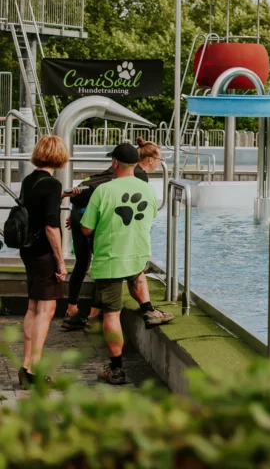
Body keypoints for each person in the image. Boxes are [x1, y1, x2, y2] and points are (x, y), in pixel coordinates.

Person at [80, 143, 168, 385]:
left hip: (111, 258)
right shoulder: (149, 190)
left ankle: (116, 369)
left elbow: (86, 228)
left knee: (112, 314)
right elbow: (150, 219)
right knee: (136, 275)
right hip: (137, 254)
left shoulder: (103, 191)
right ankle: (149, 310)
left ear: (115, 163)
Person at [61, 137, 166, 330]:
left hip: (82, 213)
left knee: (83, 264)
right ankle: (94, 317)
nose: (160, 163)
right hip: (92, 219)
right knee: (112, 269)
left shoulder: (115, 171)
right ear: (149, 159)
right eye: (160, 159)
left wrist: (77, 216)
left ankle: (72, 312)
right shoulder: (138, 178)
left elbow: (92, 193)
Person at [17, 136, 70, 388]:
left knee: (33, 307)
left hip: (28, 249)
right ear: (59, 156)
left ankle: (26, 364)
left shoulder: (30, 181)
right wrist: (60, 261)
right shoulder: (51, 184)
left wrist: (63, 195)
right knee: (46, 310)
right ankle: (33, 369)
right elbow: (51, 226)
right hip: (44, 253)